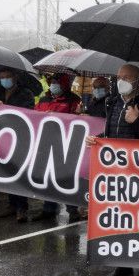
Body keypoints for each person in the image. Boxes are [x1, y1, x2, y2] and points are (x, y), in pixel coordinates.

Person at [88, 63, 139, 276]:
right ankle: (121, 265)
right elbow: (112, 133)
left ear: (138, 81)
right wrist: (98, 139)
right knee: (120, 219)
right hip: (117, 173)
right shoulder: (112, 103)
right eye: (119, 76)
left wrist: (137, 121)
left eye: (127, 77)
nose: (120, 80)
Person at [31, 74, 84, 222]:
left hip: (65, 143)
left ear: (64, 84)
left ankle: (72, 210)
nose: (53, 85)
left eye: (57, 82)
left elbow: (77, 120)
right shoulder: (44, 99)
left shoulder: (73, 100)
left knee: (65, 178)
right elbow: (33, 116)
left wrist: (77, 114)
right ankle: (48, 208)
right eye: (52, 82)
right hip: (45, 142)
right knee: (47, 178)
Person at [0, 68, 38, 222]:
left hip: (20, 138)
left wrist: (5, 106)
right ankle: (12, 204)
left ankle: (21, 207)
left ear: (15, 77)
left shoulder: (26, 93)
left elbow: (29, 112)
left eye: (7, 77)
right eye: (1, 77)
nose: (4, 80)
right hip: (3, 137)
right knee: (8, 173)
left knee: (19, 172)